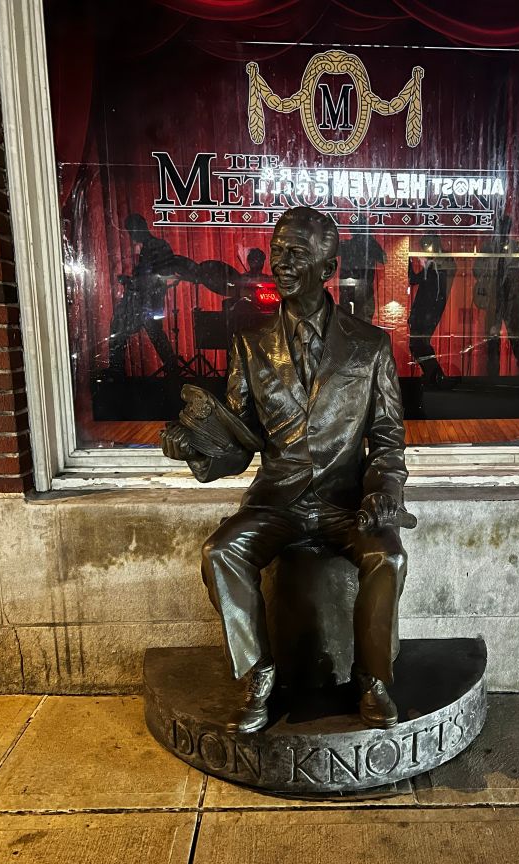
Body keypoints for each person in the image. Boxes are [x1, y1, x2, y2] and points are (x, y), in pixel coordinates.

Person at [161, 207, 410, 735]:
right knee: (220, 551)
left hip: (346, 504)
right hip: (278, 504)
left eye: (296, 254)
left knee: (388, 556)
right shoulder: (250, 345)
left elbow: (387, 439)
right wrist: (196, 450)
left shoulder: (371, 347)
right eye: (277, 253)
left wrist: (382, 491)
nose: (280, 264)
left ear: (329, 267)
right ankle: (258, 673)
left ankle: (372, 679)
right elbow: (238, 444)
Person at [107, 214, 183, 377]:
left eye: (132, 231)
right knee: (123, 330)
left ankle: (172, 369)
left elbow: (164, 276)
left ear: (140, 228)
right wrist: (132, 281)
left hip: (148, 302)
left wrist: (133, 282)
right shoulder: (150, 247)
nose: (131, 235)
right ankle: (172, 369)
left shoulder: (157, 246)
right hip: (144, 301)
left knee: (138, 332)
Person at [473, 215, 519, 377]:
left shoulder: (517, 248)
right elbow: (476, 271)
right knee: (492, 344)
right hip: (494, 300)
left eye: (505, 226)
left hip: (512, 299)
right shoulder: (487, 248)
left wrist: (512, 270)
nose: (503, 229)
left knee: (517, 341)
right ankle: (493, 380)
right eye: (500, 226)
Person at [407, 234, 455, 383]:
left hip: (428, 312)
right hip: (426, 311)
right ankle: (433, 374)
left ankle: (434, 374)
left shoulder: (440, 264)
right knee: (418, 345)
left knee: (419, 344)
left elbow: (414, 279)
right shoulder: (436, 264)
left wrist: (409, 261)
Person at [338, 220, 385, 323]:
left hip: (347, 284)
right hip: (363, 284)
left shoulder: (346, 244)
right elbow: (383, 259)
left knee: (346, 319)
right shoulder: (369, 244)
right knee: (364, 320)